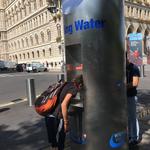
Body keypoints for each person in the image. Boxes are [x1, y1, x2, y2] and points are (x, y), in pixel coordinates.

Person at [45, 75, 83, 150]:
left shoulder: (66, 84)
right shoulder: (73, 88)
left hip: (48, 113)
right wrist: (66, 122)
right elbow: (64, 104)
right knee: (61, 138)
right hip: (56, 116)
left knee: (53, 142)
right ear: (80, 84)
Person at [126, 53, 140, 145]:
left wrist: (123, 86)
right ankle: (130, 136)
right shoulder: (121, 69)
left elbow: (135, 83)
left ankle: (134, 138)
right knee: (128, 118)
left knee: (132, 117)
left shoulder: (134, 68)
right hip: (124, 96)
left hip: (131, 96)